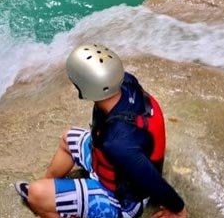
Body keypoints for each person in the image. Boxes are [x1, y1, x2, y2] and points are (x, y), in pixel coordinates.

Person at [15, 44, 187, 218]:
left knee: (35, 195)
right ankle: (49, 186)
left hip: (123, 202)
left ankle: (46, 199)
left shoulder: (117, 142)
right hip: (114, 167)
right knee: (68, 137)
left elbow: (151, 179)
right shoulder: (127, 83)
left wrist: (178, 209)